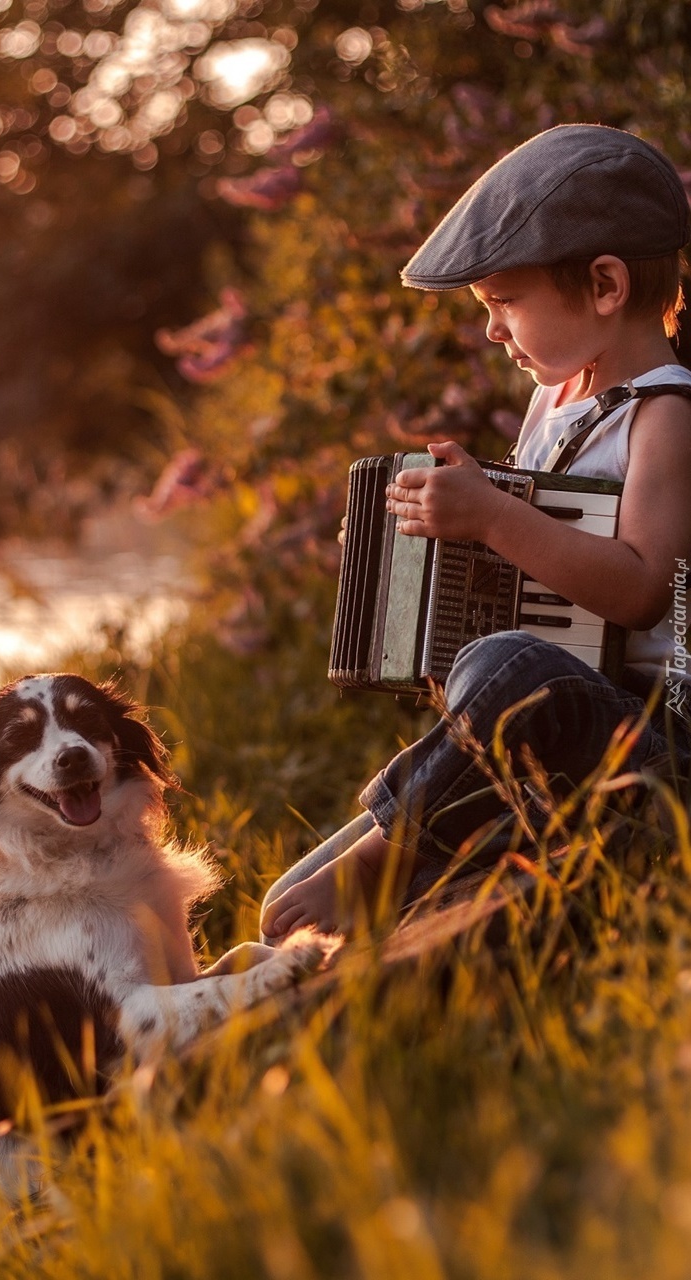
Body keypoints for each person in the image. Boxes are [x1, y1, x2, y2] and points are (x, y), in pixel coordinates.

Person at [260, 123, 691, 943]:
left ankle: (384, 862)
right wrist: (427, 541)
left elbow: (639, 589)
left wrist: (494, 516)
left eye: (504, 303)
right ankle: (398, 858)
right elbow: (542, 572)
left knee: (512, 667)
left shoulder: (667, 416)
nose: (493, 330)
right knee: (289, 895)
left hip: (654, 744)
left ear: (604, 284)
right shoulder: (555, 399)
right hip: (554, 729)